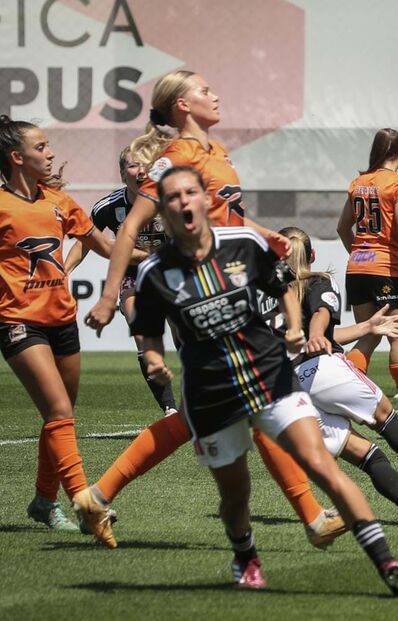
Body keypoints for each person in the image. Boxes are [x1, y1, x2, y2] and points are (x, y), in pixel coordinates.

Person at [73, 70, 344, 550]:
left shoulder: (215, 154)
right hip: (201, 293)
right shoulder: (174, 158)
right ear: (181, 105)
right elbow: (131, 228)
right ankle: (311, 516)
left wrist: (266, 235)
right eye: (203, 89)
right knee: (261, 401)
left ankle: (98, 495)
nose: (214, 94)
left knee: (233, 410)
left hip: (232, 285)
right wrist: (110, 295)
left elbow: (229, 218)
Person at [130, 166, 398, 594]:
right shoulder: (155, 271)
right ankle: (245, 556)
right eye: (173, 197)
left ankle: (387, 562)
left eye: (191, 192)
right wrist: (153, 357)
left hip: (272, 379)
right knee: (236, 496)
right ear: (163, 211)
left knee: (323, 467)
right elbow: (149, 328)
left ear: (207, 201)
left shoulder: (243, 244)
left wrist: (297, 325)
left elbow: (284, 284)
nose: (184, 201)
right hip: (212, 395)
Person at [279, 226, 398, 502]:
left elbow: (317, 334)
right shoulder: (319, 281)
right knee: (386, 417)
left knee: (363, 453)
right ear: (312, 254)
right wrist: (318, 334)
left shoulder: (266, 294)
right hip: (322, 369)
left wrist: (366, 326)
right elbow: (321, 316)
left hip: (290, 392)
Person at [0, 115, 117, 546]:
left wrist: (169, 255)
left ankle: (43, 501)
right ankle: (86, 504)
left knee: (61, 416)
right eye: (42, 147)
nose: (50, 154)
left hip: (63, 320)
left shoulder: (59, 202)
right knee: (59, 413)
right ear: (17, 157)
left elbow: (106, 246)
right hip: (18, 322)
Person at [64, 146, 178, 417]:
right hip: (134, 275)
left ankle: (199, 403)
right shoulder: (109, 206)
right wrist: (64, 270)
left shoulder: (172, 199)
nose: (140, 171)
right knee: (142, 336)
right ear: (121, 173)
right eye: (133, 165)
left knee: (185, 335)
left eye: (146, 165)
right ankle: (171, 410)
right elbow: (85, 241)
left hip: (175, 274)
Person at [336, 128, 398, 420]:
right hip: (386, 270)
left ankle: (345, 392)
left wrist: (360, 254)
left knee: (369, 333)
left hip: (357, 268)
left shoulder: (359, 182)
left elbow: (343, 227)